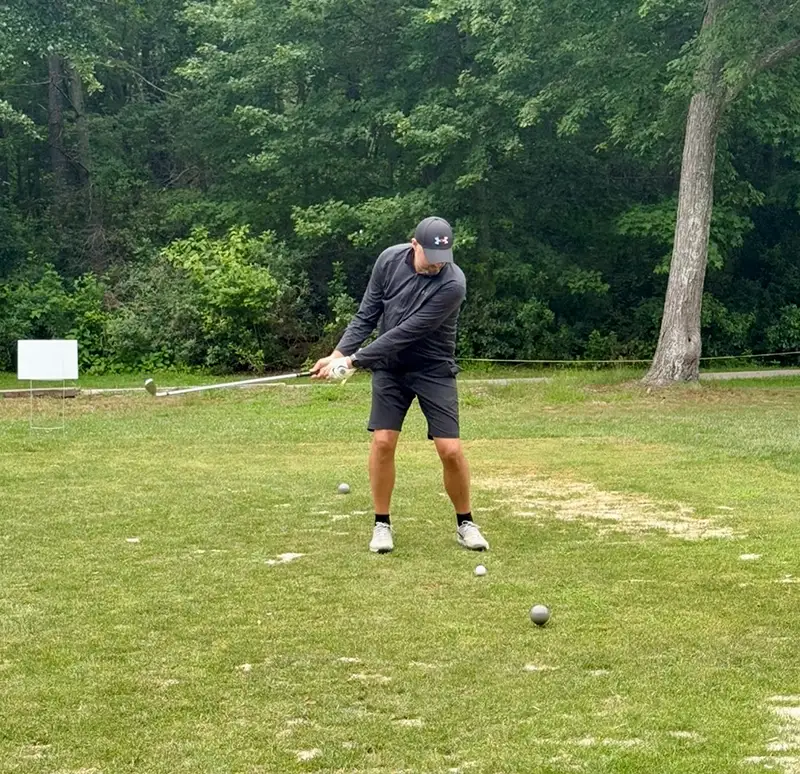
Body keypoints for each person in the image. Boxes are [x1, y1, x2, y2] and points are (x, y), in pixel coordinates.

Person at [312, 216, 489, 555]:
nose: (438, 266)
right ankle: (382, 524)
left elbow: (406, 332)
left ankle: (465, 522)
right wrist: (336, 353)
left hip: (433, 368)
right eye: (431, 258)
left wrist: (351, 361)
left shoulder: (453, 284)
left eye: (444, 259)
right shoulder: (389, 260)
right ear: (414, 244)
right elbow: (366, 314)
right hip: (391, 370)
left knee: (450, 450)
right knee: (382, 442)